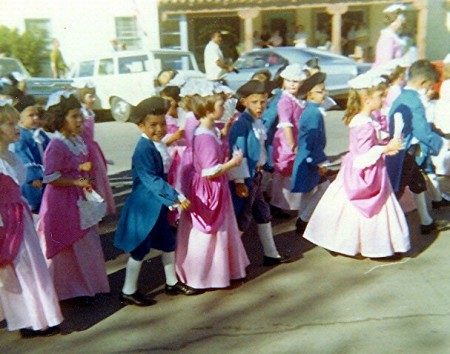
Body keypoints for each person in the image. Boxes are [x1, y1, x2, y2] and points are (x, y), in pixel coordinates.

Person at [303, 72, 410, 258]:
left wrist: (386, 146)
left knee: (350, 207)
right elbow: (362, 158)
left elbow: (370, 146)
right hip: (361, 171)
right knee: (355, 205)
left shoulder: (368, 119)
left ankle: (367, 244)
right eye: (380, 96)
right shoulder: (362, 123)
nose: (384, 99)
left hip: (371, 168)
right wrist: (384, 149)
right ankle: (369, 246)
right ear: (367, 99)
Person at [114, 97, 200, 306]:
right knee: (140, 249)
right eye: (153, 125)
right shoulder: (143, 149)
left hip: (158, 205)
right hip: (144, 206)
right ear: (141, 126)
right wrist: (176, 197)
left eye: (162, 124)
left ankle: (171, 283)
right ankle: (128, 290)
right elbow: (151, 180)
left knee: (167, 243)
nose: (159, 129)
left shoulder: (156, 144)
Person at [175, 81, 250, 289]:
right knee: (207, 232)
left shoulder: (209, 131)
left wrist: (224, 133)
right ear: (207, 110)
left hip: (215, 186)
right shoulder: (204, 136)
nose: (223, 108)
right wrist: (232, 164)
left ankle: (220, 271)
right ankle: (203, 274)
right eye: (219, 105)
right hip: (209, 188)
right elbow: (209, 171)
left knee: (218, 228)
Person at [37, 91, 110, 303]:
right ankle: (69, 290)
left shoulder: (77, 139)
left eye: (80, 116)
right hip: (61, 201)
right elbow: (51, 176)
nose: (80, 121)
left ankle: (90, 285)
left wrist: (82, 173)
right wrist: (76, 180)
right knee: (68, 242)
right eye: (74, 117)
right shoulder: (56, 145)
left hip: (79, 197)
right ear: (61, 120)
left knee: (86, 240)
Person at [0, 103, 63, 338]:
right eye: (9, 123)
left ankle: (43, 316)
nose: (15, 128)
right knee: (19, 267)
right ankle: (28, 319)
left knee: (33, 263)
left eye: (16, 123)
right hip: (6, 220)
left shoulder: (13, 156)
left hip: (20, 214)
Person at [228, 80, 289, 266]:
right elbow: (237, 151)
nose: (260, 106)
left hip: (257, 175)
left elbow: (262, 149)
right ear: (245, 102)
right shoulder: (242, 124)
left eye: (263, 102)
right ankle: (231, 261)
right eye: (254, 102)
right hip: (246, 177)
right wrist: (239, 180)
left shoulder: (257, 122)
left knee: (263, 213)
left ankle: (271, 254)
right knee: (243, 217)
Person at [385, 60, 448, 234]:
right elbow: (422, 132)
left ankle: (426, 222)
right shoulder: (415, 101)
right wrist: (441, 144)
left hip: (402, 151)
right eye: (429, 85)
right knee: (395, 193)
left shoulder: (402, 96)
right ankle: (385, 229)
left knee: (417, 184)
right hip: (405, 152)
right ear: (422, 83)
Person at [291, 72, 331, 236]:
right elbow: (313, 139)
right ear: (310, 94)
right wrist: (321, 162)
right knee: (324, 188)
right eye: (320, 91)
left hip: (306, 157)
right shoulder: (313, 113)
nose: (324, 93)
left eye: (324, 90)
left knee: (309, 190)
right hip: (311, 158)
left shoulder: (311, 110)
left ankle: (303, 221)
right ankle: (304, 219)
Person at [271, 64, 308, 212]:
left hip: (295, 137)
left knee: (291, 172)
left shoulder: (294, 100)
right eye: (289, 81)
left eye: (296, 81)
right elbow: (286, 124)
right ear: (283, 82)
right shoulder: (285, 101)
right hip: (287, 140)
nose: (292, 84)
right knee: (286, 171)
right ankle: (280, 203)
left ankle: (288, 204)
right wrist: (292, 144)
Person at [78, 84, 116, 215]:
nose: (93, 99)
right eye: (90, 96)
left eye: (93, 96)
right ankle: (90, 207)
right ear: (82, 98)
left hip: (92, 147)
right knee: (88, 176)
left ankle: (99, 207)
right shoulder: (80, 113)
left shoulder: (89, 113)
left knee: (97, 175)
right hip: (83, 147)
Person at [12, 97, 50, 214]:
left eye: (37, 115)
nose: (36, 118)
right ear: (20, 118)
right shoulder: (20, 136)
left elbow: (50, 147)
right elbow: (23, 156)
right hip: (33, 179)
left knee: (47, 200)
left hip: (46, 173)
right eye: (31, 115)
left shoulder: (39, 132)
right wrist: (33, 176)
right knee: (35, 203)